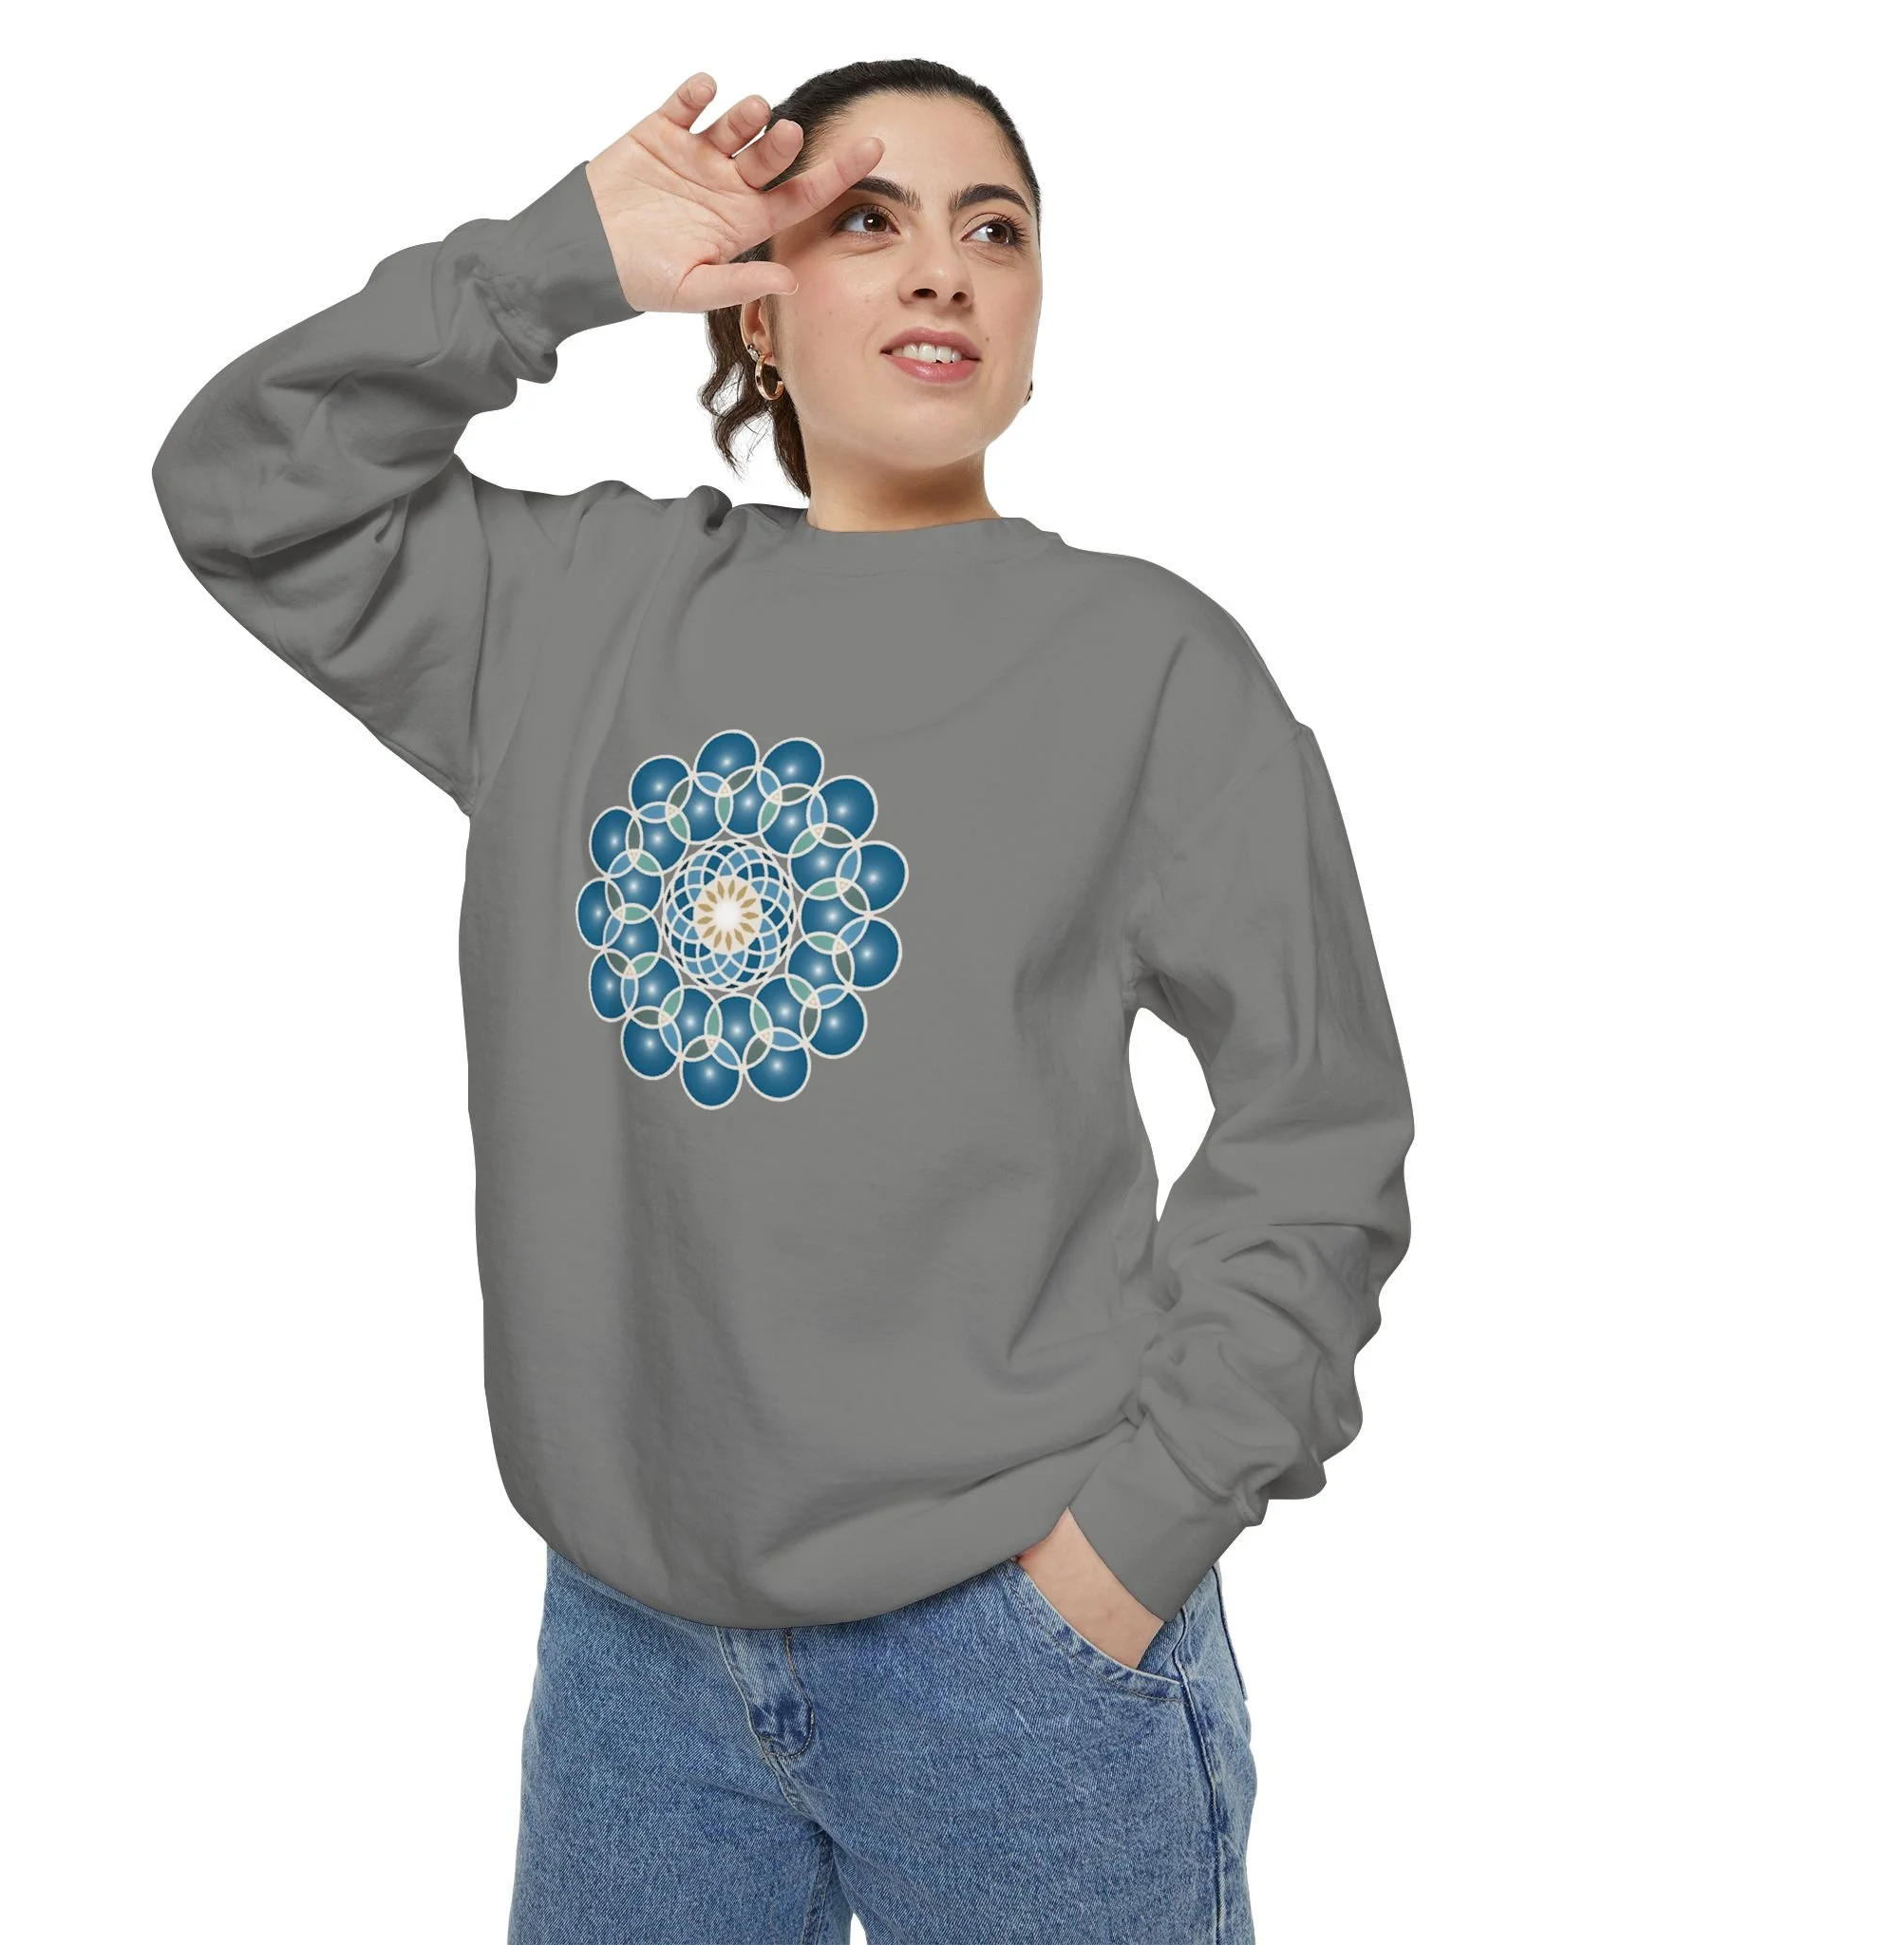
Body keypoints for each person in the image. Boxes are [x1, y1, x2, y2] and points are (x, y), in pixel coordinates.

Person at [151, 56, 1415, 1945]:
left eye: (995, 230)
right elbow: (246, 488)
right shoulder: (570, 615)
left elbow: (1318, 1124)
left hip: (1018, 1650)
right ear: (754, 300)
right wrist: (555, 261)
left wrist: (1129, 1549)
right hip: (633, 1662)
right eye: (866, 220)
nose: (942, 268)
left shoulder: (1148, 665)